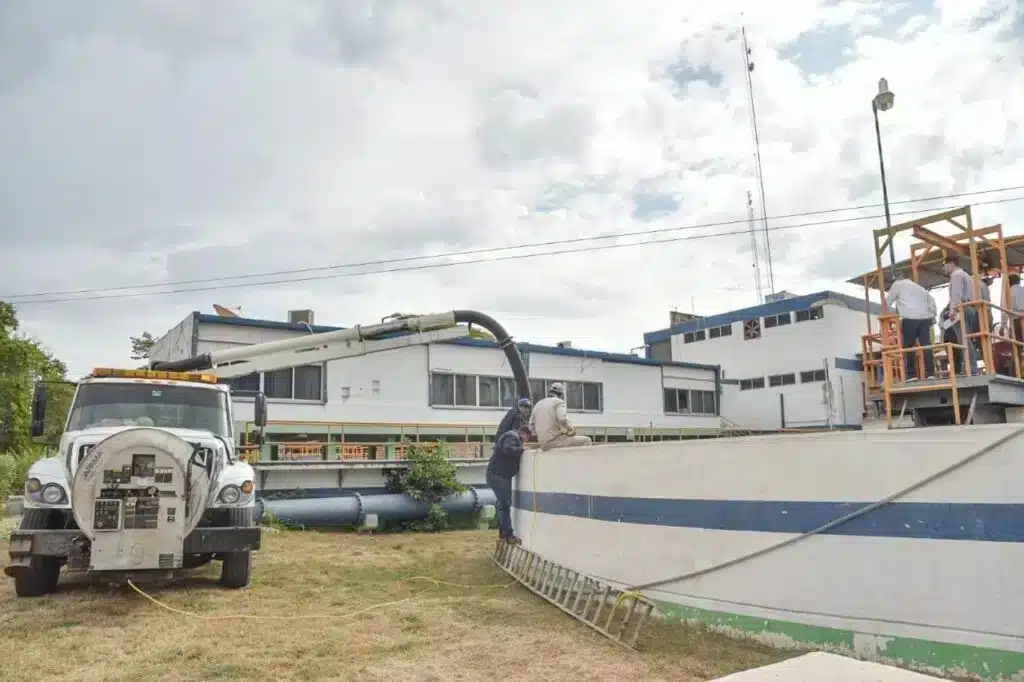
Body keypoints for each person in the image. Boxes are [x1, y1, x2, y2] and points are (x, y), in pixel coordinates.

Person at [885, 273, 937, 381]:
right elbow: (932, 303)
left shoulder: (897, 284)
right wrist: (931, 315)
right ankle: (931, 373)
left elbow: (887, 303)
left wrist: (896, 313)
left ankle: (911, 375)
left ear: (897, 278)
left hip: (909, 318)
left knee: (909, 346)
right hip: (925, 318)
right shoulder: (920, 288)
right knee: (926, 345)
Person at [485, 424, 531, 544]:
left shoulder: (512, 436)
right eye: (528, 438)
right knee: (505, 505)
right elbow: (508, 449)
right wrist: (522, 449)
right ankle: (508, 534)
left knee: (503, 504)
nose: (526, 441)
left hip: (498, 475)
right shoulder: (513, 436)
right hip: (498, 476)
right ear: (524, 433)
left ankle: (504, 533)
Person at [529, 382, 592, 450]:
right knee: (587, 440)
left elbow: (531, 426)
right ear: (561, 394)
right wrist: (571, 429)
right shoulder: (559, 402)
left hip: (542, 444)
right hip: (555, 441)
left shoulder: (538, 404)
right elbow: (562, 419)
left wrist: (541, 436)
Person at [944, 255, 979, 376]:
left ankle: (971, 368)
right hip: (970, 308)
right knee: (968, 339)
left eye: (945, 265)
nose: (944, 268)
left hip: (961, 309)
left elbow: (956, 294)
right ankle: (971, 367)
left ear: (951, 264)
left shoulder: (956, 275)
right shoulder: (966, 275)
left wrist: (952, 310)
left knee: (963, 340)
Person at [1009, 274, 1024, 343]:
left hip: (1016, 318)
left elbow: (1008, 309)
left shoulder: (1009, 292)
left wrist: (1004, 325)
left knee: (1018, 343)